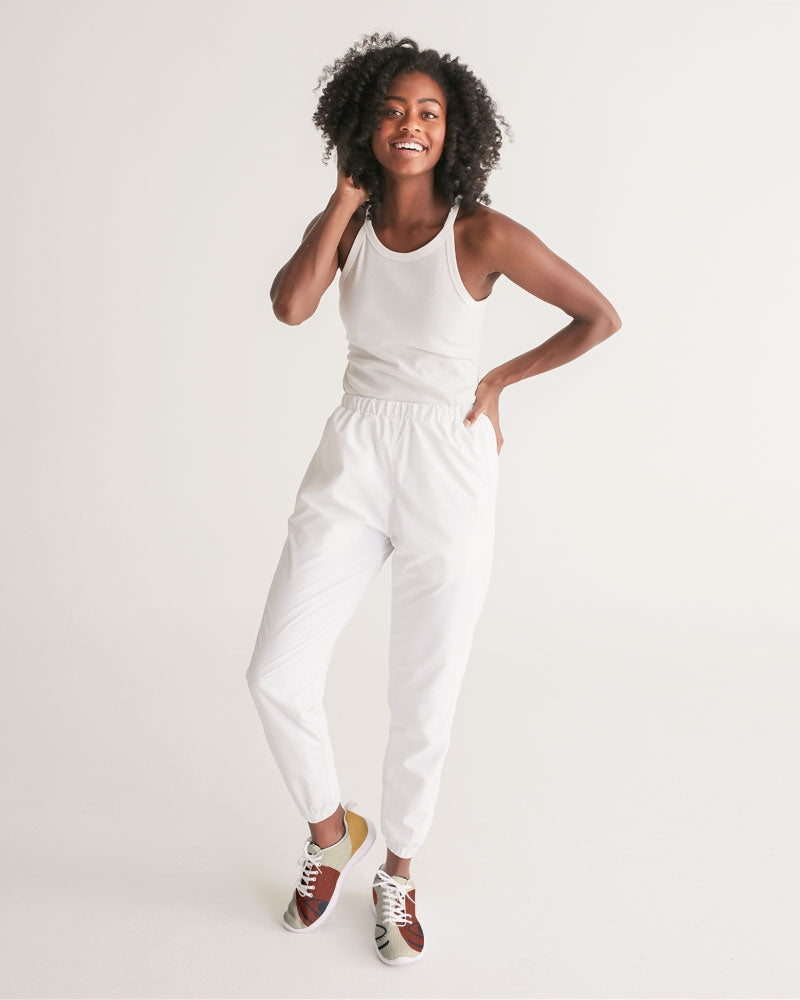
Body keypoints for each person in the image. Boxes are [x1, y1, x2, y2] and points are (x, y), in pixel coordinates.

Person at [246, 31, 621, 966]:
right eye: (391, 110)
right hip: (355, 448)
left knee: (424, 689)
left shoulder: (480, 234)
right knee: (275, 673)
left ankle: (399, 870)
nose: (409, 125)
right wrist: (340, 201)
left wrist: (497, 381)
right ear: (363, 125)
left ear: (454, 131)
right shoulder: (350, 223)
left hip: (447, 458)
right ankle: (332, 831)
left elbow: (597, 316)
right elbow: (291, 307)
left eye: (429, 112)